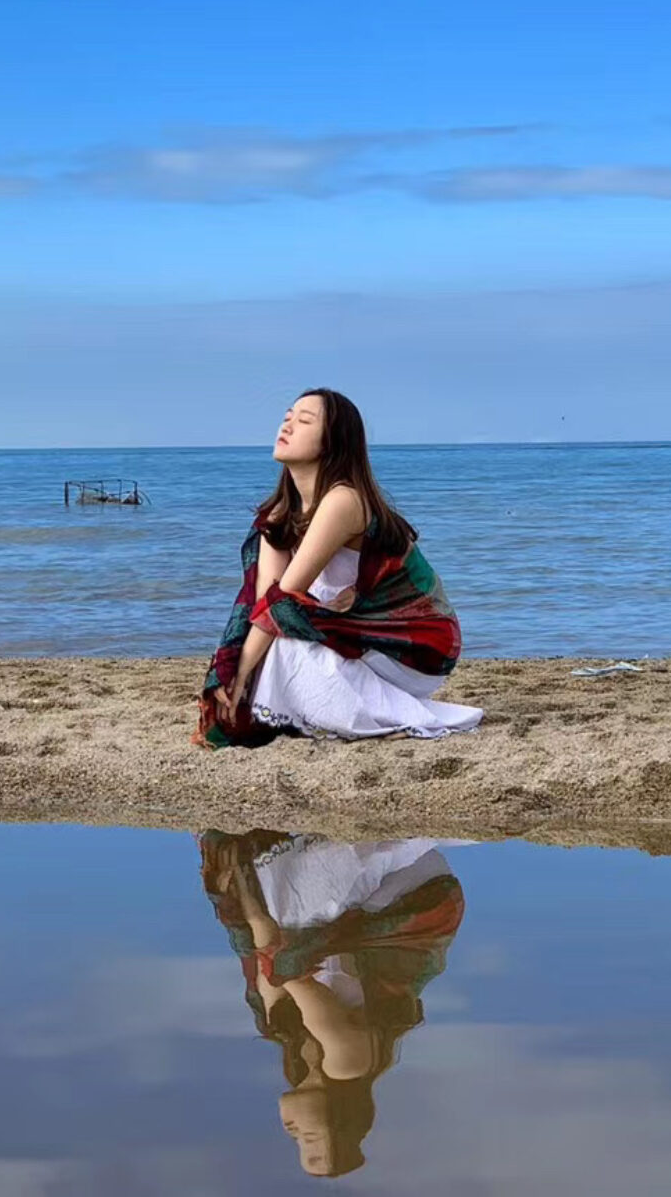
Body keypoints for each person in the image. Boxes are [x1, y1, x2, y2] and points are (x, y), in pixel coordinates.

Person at [194, 388, 483, 748]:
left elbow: (282, 602)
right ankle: (349, 710)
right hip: (347, 634)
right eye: (287, 417)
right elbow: (262, 604)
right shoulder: (279, 514)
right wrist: (233, 671)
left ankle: (392, 717)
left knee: (282, 645)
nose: (287, 426)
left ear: (332, 441)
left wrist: (239, 672)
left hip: (415, 648)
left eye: (304, 421)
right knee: (263, 658)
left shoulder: (343, 500)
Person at [199, 829, 466, 1179]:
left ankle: (268, 844)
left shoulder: (285, 1037)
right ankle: (314, 844)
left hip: (353, 911)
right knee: (291, 917)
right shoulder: (350, 1066)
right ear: (340, 1119)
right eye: (309, 1139)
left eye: (296, 1142)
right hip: (410, 894)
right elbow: (290, 974)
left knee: (261, 902)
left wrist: (241, 894)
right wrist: (254, 907)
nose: (293, 1131)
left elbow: (264, 952)